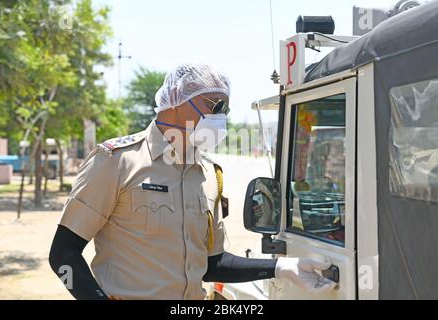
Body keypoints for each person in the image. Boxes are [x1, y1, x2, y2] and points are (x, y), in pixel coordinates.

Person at [49, 63, 335, 300]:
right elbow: (63, 254)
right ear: (175, 100)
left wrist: (282, 267)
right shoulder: (117, 161)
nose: (220, 117)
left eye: (225, 108)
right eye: (214, 105)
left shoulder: (209, 174)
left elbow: (212, 264)